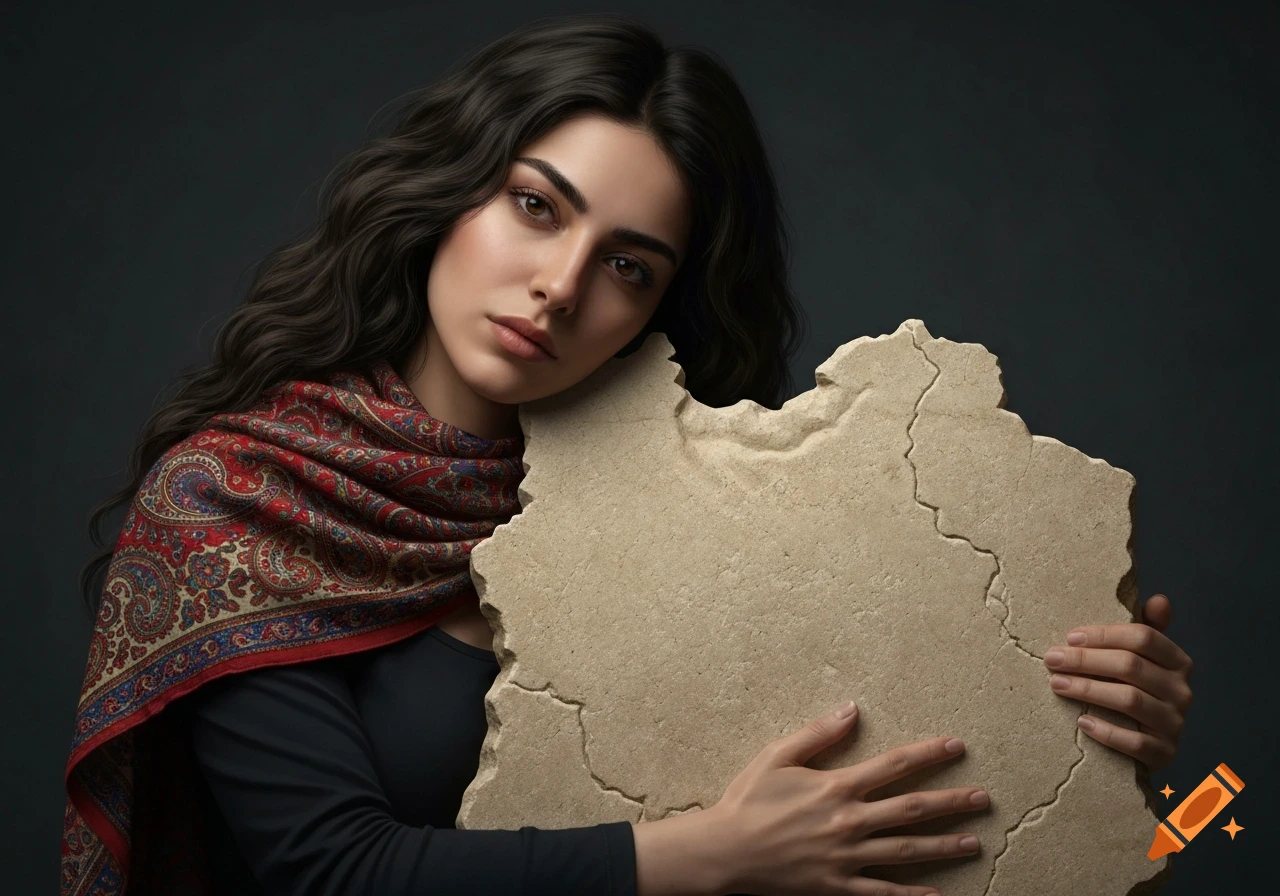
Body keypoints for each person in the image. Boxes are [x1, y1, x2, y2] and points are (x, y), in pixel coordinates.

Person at [61, 13, 1195, 896]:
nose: (559, 284)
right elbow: (332, 869)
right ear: (451, 195)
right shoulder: (244, 500)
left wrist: (1090, 734)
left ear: (659, 308)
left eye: (628, 265)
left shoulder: (713, 517)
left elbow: (914, 799)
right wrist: (703, 855)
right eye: (535, 207)